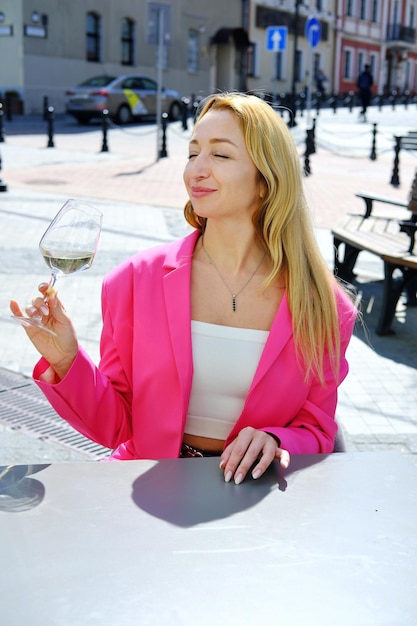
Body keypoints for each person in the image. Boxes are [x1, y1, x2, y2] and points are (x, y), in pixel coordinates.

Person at [10, 92, 357, 485]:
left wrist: (277, 440)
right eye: (193, 153)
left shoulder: (324, 306)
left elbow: (319, 430)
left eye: (220, 155)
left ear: (266, 180)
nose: (196, 170)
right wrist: (67, 360)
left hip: (253, 498)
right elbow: (118, 427)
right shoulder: (133, 281)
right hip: (149, 486)